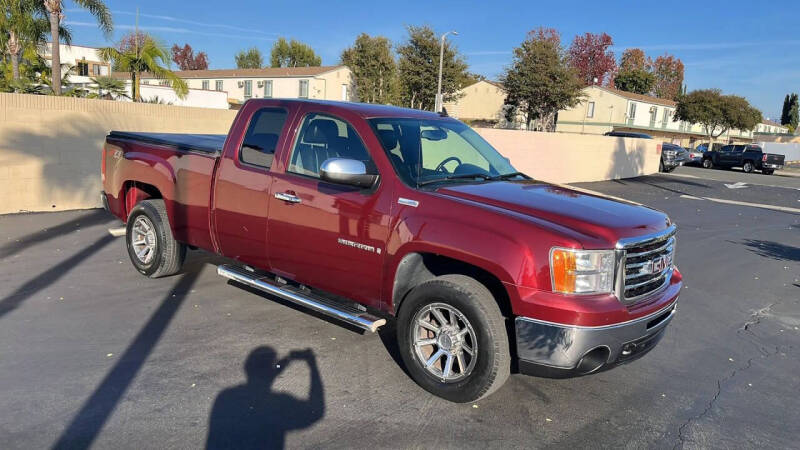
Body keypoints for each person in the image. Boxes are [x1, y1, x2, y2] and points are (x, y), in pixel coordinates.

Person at [206, 347, 325, 449]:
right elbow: (316, 410)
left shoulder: (226, 397)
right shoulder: (278, 403)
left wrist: (282, 363)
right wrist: (312, 365)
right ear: (275, 372)